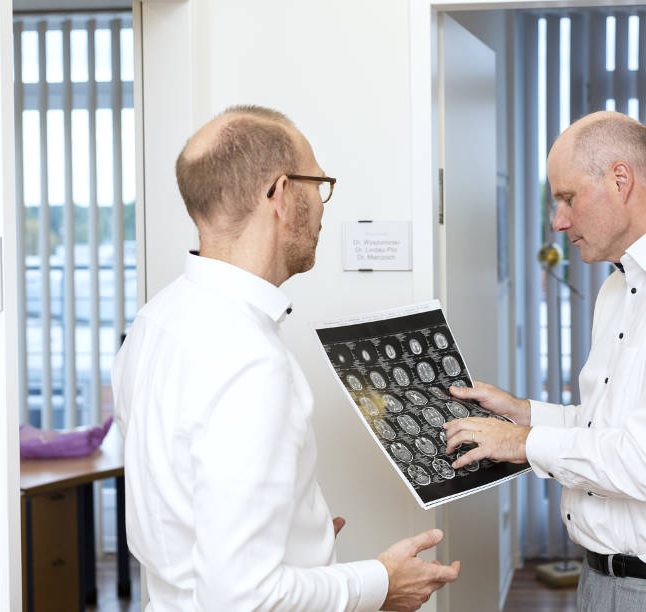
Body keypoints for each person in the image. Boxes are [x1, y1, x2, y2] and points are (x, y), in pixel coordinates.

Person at [112, 105, 459, 611]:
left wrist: (301, 537)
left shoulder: (154, 321)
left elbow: (188, 512)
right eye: (318, 185)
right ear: (280, 193)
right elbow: (243, 599)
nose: (321, 205)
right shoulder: (250, 361)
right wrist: (381, 583)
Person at [444, 110, 646, 611]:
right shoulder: (619, 287)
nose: (558, 221)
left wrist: (523, 443)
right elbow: (614, 430)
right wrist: (525, 415)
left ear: (621, 180)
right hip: (604, 582)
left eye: (567, 198)